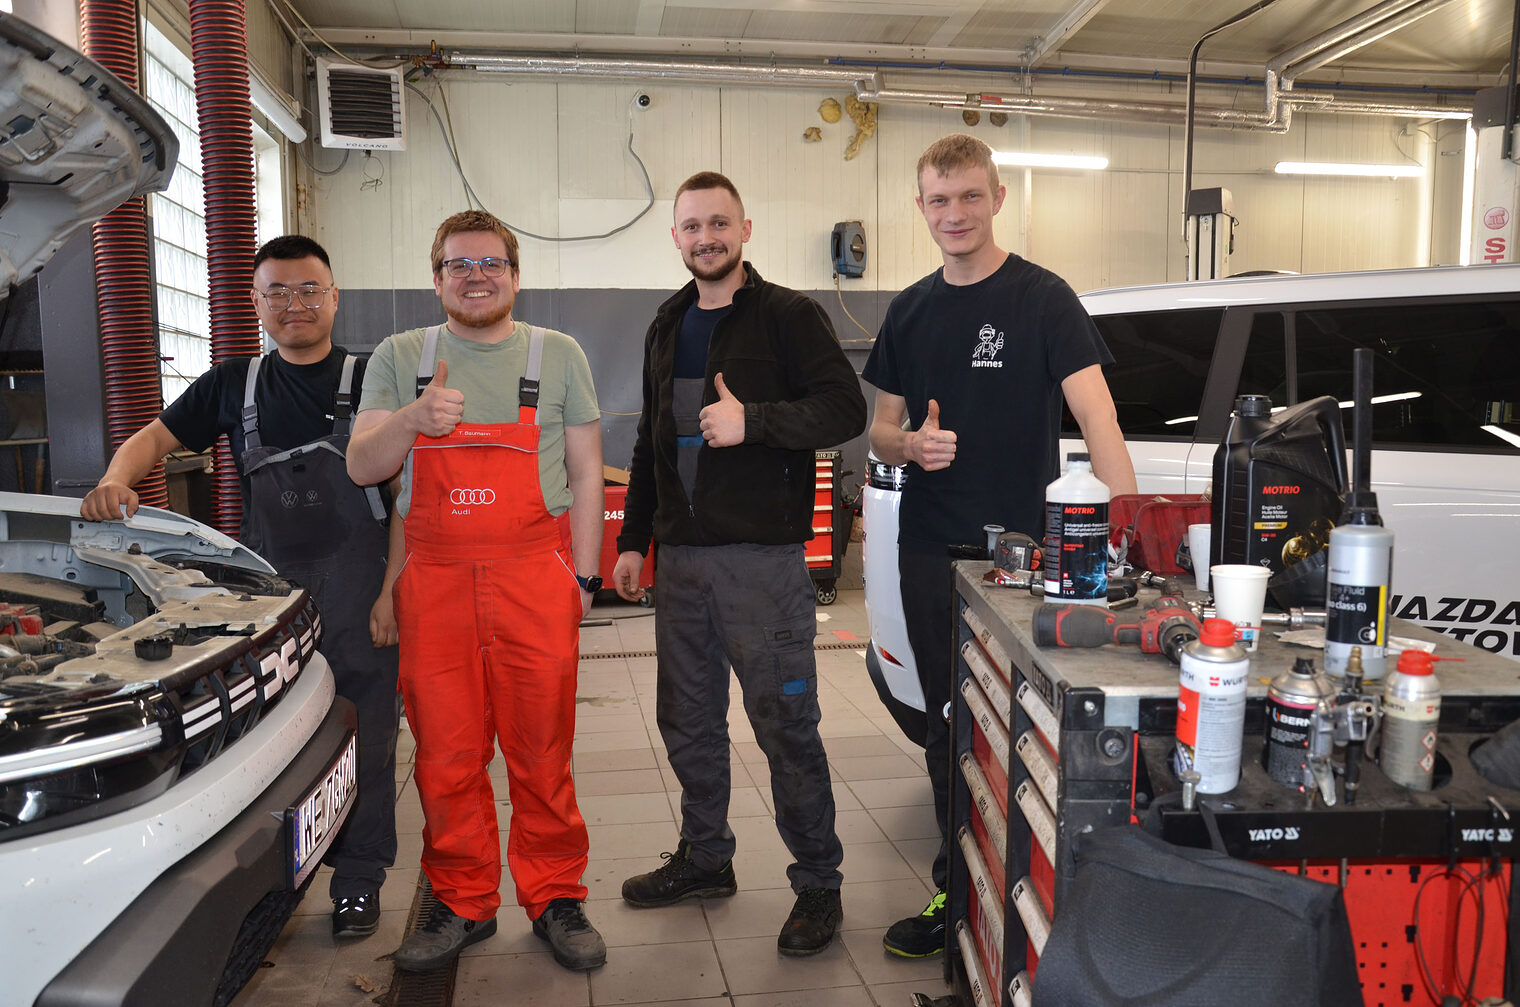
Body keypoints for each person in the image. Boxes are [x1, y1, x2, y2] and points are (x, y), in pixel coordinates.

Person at [81, 235, 403, 940]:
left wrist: (393, 592)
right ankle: (268, 883)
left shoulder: (375, 375)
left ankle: (358, 880)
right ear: (257, 304)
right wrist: (114, 480)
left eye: (310, 290)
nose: (296, 304)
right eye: (278, 293)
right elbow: (151, 441)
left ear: (334, 296)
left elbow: (410, 497)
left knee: (369, 741)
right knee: (265, 745)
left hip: (362, 598)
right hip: (272, 605)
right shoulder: (233, 383)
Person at [863, 133, 1138, 958]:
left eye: (970, 196)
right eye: (939, 200)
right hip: (931, 555)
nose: (955, 213)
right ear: (921, 208)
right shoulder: (908, 310)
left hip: (1027, 556)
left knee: (1028, 731)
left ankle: (1038, 898)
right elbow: (876, 432)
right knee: (950, 726)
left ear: (998, 198)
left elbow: (1099, 419)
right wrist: (909, 446)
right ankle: (959, 891)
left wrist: (1122, 538)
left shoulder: (1042, 298)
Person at [611, 171, 866, 956]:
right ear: (677, 236)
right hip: (681, 566)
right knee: (687, 722)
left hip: (762, 565)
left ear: (745, 229)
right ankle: (706, 857)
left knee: (785, 725)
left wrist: (752, 420)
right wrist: (633, 540)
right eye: (691, 226)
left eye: (718, 223)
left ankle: (818, 882)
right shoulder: (667, 321)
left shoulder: (789, 315)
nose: (705, 237)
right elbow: (651, 442)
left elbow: (844, 410)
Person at [346, 210, 606, 974]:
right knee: (447, 753)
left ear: (515, 276)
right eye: (459, 265)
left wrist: (583, 578)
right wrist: (413, 419)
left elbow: (589, 471)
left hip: (535, 574)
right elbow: (364, 464)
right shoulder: (400, 356)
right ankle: (462, 900)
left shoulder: (558, 355)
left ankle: (556, 894)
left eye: (492, 262)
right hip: (437, 582)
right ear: (436, 279)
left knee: (541, 749)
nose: (477, 275)